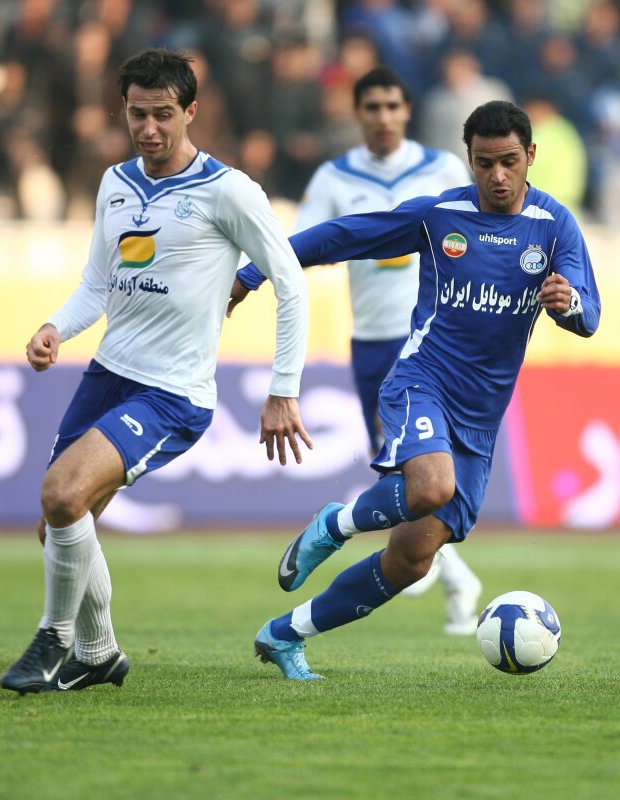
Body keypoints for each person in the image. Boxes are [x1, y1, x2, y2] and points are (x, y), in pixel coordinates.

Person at [234, 99, 601, 680]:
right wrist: (254, 271)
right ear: (469, 159)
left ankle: (284, 635)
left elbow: (589, 314)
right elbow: (343, 236)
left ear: (531, 156)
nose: (497, 176)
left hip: (481, 418)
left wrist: (568, 302)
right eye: (484, 163)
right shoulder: (440, 215)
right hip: (421, 381)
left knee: (411, 559)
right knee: (430, 487)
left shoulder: (554, 226)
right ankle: (335, 524)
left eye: (509, 161)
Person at [0, 49, 312, 694]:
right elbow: (97, 283)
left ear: (190, 111)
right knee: (58, 521)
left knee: (63, 493)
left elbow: (291, 283)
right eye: (137, 114)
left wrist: (284, 389)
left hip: (172, 393)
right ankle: (100, 652)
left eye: (163, 114)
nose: (149, 128)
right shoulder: (115, 182)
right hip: (107, 375)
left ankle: (54, 639)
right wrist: (55, 326)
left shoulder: (228, 190)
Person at [233, 66, 484, 635]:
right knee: (403, 472)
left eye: (393, 106)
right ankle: (455, 577)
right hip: (369, 338)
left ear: (407, 110)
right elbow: (308, 245)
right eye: (372, 107)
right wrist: (258, 272)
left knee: (416, 471)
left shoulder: (444, 169)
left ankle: (433, 570)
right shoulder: (334, 176)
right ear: (358, 114)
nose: (384, 117)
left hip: (429, 341)